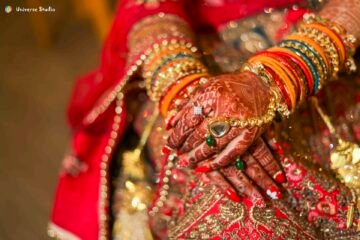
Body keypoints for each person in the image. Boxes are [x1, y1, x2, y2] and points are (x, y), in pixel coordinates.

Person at [48, 0, 360, 239]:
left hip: (326, 31)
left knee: (282, 176)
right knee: (208, 178)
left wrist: (281, 76)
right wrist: (187, 94)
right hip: (191, 43)